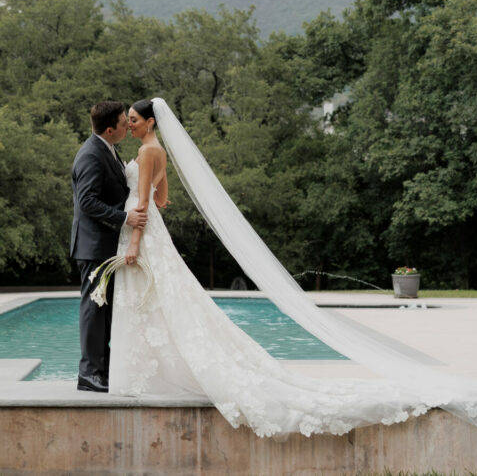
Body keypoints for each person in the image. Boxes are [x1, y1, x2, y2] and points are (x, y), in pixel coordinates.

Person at [107, 98, 426, 435]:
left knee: (149, 297)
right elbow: (161, 198)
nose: (130, 125)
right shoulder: (159, 150)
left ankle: (146, 373)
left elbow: (144, 204)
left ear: (151, 122)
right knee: (163, 298)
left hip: (141, 232)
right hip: (153, 228)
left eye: (134, 120)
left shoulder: (145, 152)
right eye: (128, 120)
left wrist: (134, 244)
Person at [70, 100, 147, 393]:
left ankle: (101, 368)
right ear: (110, 129)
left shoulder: (107, 149)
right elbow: (87, 201)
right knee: (94, 307)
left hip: (106, 244)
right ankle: (89, 374)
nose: (128, 125)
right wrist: (125, 217)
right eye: (123, 122)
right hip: (94, 245)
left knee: (104, 309)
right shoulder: (90, 154)